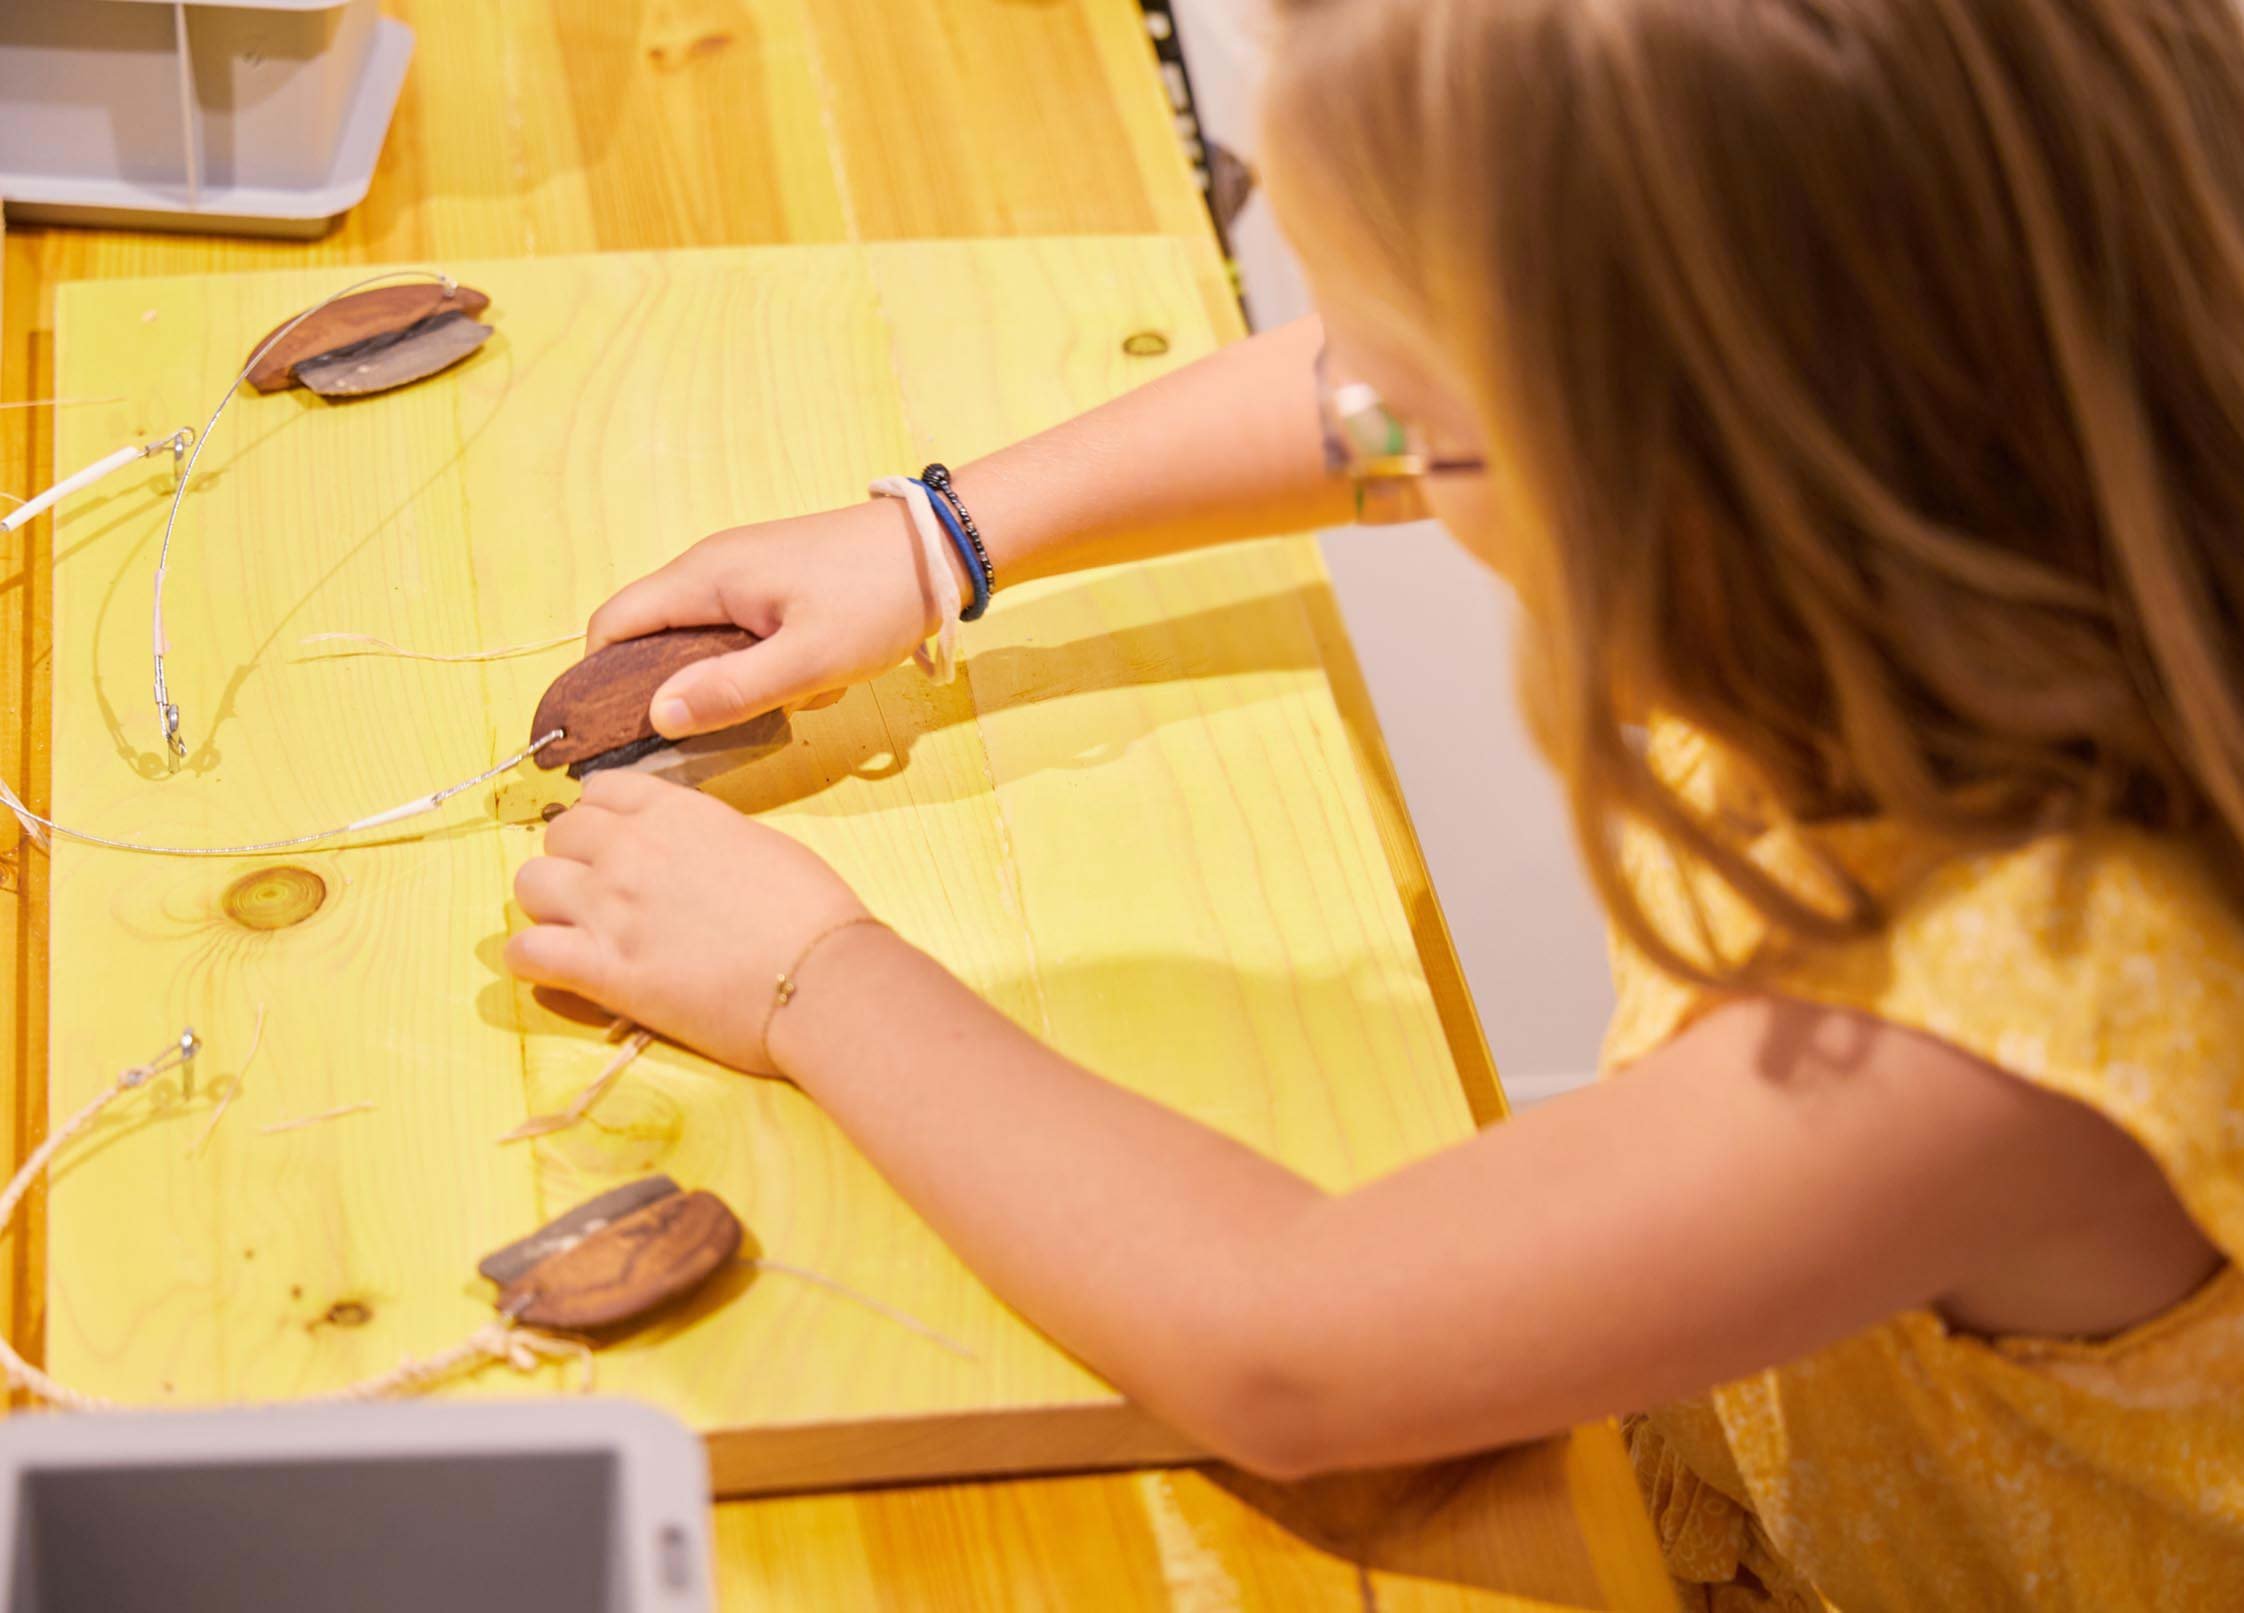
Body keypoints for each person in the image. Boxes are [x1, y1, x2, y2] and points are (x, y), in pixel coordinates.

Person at [504, 2, 2244, 1605]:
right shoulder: (2027, 484)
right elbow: (1375, 392)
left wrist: (811, 971)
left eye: (1427, 410)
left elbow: (1292, 1353)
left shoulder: (2007, 1016)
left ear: (1684, 459)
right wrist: (938, 539)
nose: (1368, 420)